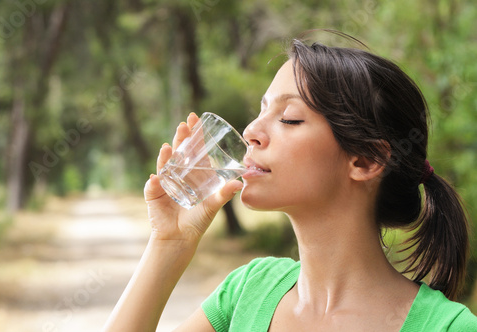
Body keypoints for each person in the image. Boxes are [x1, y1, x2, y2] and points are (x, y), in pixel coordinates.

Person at [104, 32, 477, 331]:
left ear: (365, 160)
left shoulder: (446, 326)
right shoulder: (248, 291)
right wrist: (168, 243)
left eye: (290, 118)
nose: (250, 131)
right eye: (262, 110)